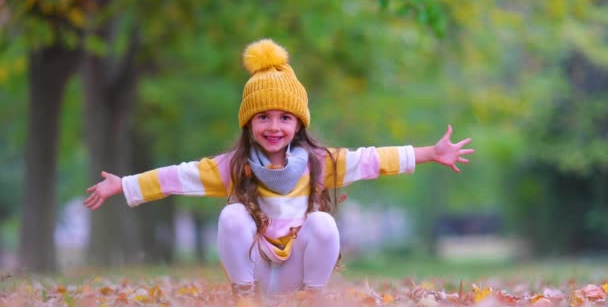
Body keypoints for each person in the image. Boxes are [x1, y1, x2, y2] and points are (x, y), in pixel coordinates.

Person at [84, 39, 475, 303]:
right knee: (232, 214)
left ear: (298, 125)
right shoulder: (234, 167)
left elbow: (374, 160)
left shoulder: (321, 162)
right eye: (263, 117)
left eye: (285, 118)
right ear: (248, 123)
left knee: (323, 224)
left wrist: (428, 153)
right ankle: (244, 299)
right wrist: (125, 185)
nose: (274, 126)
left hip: (296, 274)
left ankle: (312, 300)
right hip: (254, 273)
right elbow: (176, 177)